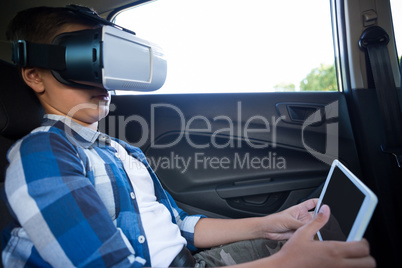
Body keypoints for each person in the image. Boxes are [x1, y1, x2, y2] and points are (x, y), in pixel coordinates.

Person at [2, 6, 375, 268]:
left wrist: (273, 222)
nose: (102, 80)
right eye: (85, 60)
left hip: (193, 260)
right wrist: (284, 264)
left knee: (331, 235)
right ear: (35, 75)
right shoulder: (42, 153)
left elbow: (180, 224)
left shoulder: (122, 150)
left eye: (107, 62)